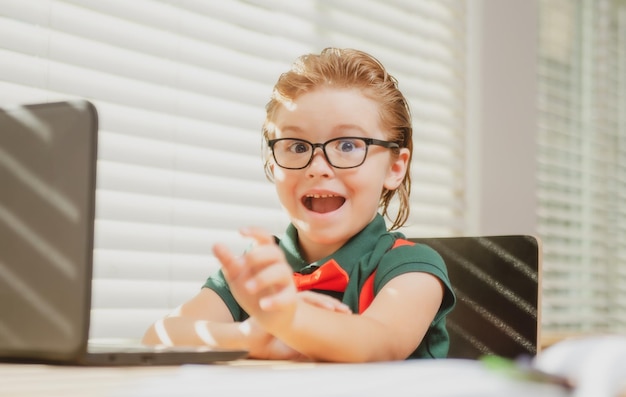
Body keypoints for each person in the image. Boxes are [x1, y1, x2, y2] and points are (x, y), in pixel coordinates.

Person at [142, 47, 456, 362]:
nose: (317, 166)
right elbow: (161, 336)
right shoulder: (258, 269)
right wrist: (250, 338)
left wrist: (285, 318)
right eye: (296, 146)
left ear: (394, 168)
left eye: (347, 144)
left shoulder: (412, 267)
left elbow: (378, 343)